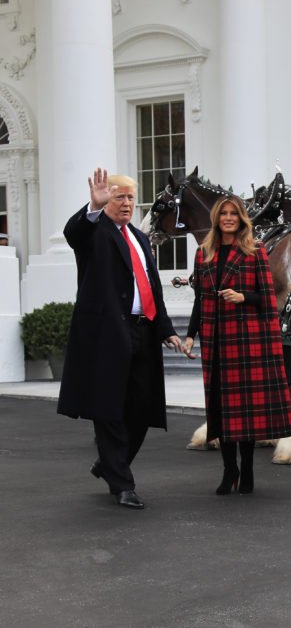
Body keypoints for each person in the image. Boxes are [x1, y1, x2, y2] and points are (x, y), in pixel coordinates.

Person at [58, 168, 182, 509]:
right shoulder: (94, 232)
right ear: (105, 200)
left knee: (142, 408)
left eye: (130, 197)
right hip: (107, 334)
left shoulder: (141, 239)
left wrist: (167, 329)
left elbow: (152, 288)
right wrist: (93, 208)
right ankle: (122, 484)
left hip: (143, 330)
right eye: (118, 197)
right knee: (109, 408)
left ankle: (110, 464)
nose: (126, 203)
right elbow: (74, 233)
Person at [182, 195, 291, 495]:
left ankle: (246, 470)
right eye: (224, 213)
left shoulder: (254, 250)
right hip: (215, 340)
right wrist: (191, 335)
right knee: (220, 409)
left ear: (241, 218)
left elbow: (268, 298)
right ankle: (228, 470)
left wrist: (243, 297)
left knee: (245, 411)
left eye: (234, 213)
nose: (229, 218)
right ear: (217, 218)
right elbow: (199, 300)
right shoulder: (203, 253)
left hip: (246, 341)